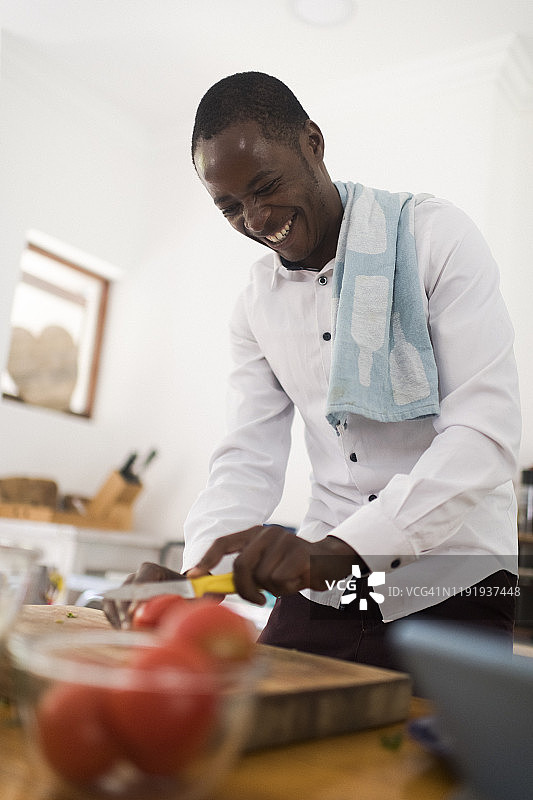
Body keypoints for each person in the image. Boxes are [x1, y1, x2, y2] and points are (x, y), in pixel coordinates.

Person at [105, 72, 521, 670]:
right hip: (327, 578)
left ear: (313, 143)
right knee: (258, 722)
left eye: (266, 185)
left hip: (454, 574)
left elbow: (485, 435)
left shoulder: (436, 236)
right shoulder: (256, 302)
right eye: (230, 207)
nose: (257, 218)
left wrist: (346, 549)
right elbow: (247, 456)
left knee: (415, 756)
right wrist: (193, 573)